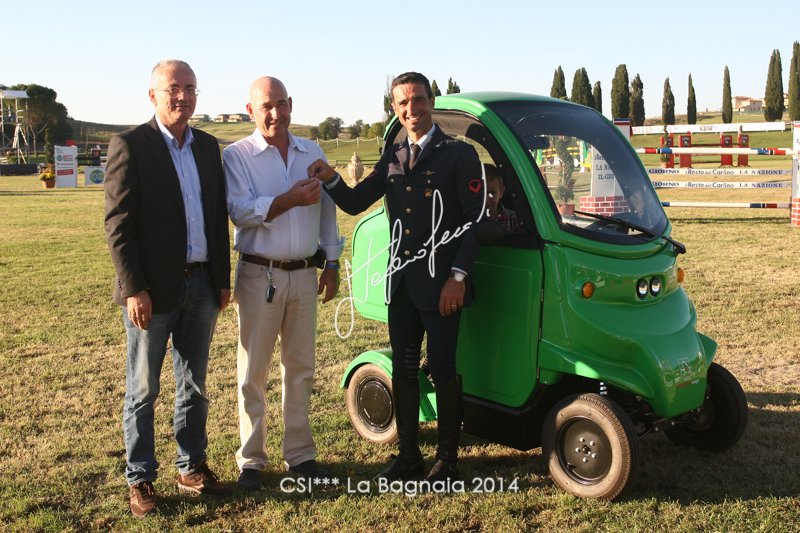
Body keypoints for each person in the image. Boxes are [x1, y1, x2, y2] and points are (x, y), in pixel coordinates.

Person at [309, 72, 484, 483]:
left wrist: (458, 277)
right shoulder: (393, 155)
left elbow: (475, 221)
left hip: (443, 285)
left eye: (418, 99)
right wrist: (330, 178)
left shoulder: (458, 154)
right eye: (403, 103)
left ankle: (447, 460)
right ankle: (409, 456)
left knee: (442, 369)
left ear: (432, 102)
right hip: (402, 286)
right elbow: (356, 201)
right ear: (394, 109)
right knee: (404, 370)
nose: (412, 109)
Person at [104, 59, 232, 517]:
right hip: (152, 291)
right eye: (174, 88)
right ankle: (140, 478)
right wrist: (134, 288)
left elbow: (216, 216)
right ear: (153, 95)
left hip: (202, 283)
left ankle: (191, 466)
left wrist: (222, 279)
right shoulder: (130, 145)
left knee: (195, 384)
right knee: (143, 389)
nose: (183, 97)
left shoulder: (208, 146)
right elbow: (118, 224)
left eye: (190, 89)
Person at [222, 76, 344, 491]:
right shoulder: (238, 155)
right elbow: (239, 211)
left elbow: (327, 211)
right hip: (260, 274)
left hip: (305, 275)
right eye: (265, 106)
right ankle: (251, 461)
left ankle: (301, 456)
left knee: (301, 367)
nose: (275, 114)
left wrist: (332, 262)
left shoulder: (312, 151)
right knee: (252, 373)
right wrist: (288, 199)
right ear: (250, 110)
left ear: (291, 104)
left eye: (281, 104)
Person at [484, 163, 522, 234]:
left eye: (492, 193)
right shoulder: (469, 220)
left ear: (501, 192)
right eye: (481, 194)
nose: (486, 200)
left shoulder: (513, 219)